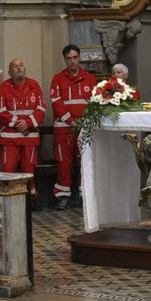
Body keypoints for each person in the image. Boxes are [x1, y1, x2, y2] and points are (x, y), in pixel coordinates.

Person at [49, 45, 93, 210]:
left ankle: (84, 196)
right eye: (69, 58)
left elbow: (93, 103)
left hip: (84, 127)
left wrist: (83, 121)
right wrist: (70, 120)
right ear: (65, 59)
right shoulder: (58, 79)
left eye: (75, 57)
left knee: (84, 161)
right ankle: (63, 196)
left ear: (79, 57)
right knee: (63, 163)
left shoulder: (89, 78)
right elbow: (56, 103)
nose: (72, 61)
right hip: (63, 128)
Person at [0, 59, 44, 194]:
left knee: (29, 170)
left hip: (30, 137)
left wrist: (27, 124)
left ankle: (30, 199)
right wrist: (18, 124)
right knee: (8, 170)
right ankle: (7, 197)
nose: (19, 68)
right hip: (10, 138)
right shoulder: (3, 88)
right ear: (10, 72)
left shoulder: (34, 85)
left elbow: (41, 109)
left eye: (21, 65)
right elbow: (0, 111)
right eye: (15, 67)